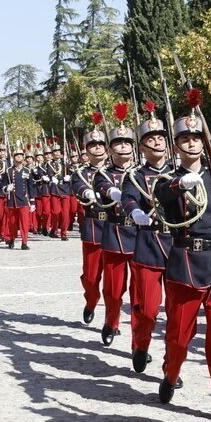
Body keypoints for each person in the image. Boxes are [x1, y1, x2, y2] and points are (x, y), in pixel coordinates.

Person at [153, 92, 211, 421]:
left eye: (196, 138)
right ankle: (171, 373)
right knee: (179, 335)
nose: (191, 143)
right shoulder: (168, 179)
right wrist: (179, 185)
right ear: (176, 146)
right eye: (184, 139)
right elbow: (162, 198)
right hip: (184, 265)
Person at [121, 102, 173, 373]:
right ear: (141, 148)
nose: (157, 142)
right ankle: (141, 344)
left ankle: (171, 366)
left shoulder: (179, 173)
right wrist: (136, 212)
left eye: (161, 137)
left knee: (176, 318)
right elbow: (128, 199)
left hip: (178, 248)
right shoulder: (136, 176)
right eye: (151, 139)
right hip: (150, 245)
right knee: (148, 310)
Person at [91, 106, 138, 346]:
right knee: (113, 290)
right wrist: (113, 192)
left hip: (142, 237)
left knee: (139, 296)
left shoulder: (142, 173)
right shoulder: (103, 173)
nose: (123, 146)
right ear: (110, 149)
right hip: (116, 234)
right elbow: (102, 188)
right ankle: (112, 322)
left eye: (127, 142)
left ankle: (140, 342)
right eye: (118, 143)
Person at [72, 116, 109, 324]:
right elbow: (78, 187)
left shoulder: (118, 172)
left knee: (114, 283)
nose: (96, 149)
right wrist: (87, 193)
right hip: (93, 227)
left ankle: (111, 320)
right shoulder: (80, 173)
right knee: (91, 277)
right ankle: (91, 301)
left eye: (100, 145)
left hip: (115, 228)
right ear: (86, 151)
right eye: (92, 145)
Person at [2, 146, 33, 249]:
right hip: (12, 200)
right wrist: (7, 188)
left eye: (21, 155)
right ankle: (11, 238)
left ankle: (24, 242)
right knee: (12, 223)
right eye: (17, 155)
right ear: (13, 158)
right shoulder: (8, 171)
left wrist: (32, 202)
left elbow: (30, 187)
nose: (19, 157)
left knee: (25, 223)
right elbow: (2, 185)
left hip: (23, 200)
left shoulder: (27, 171)